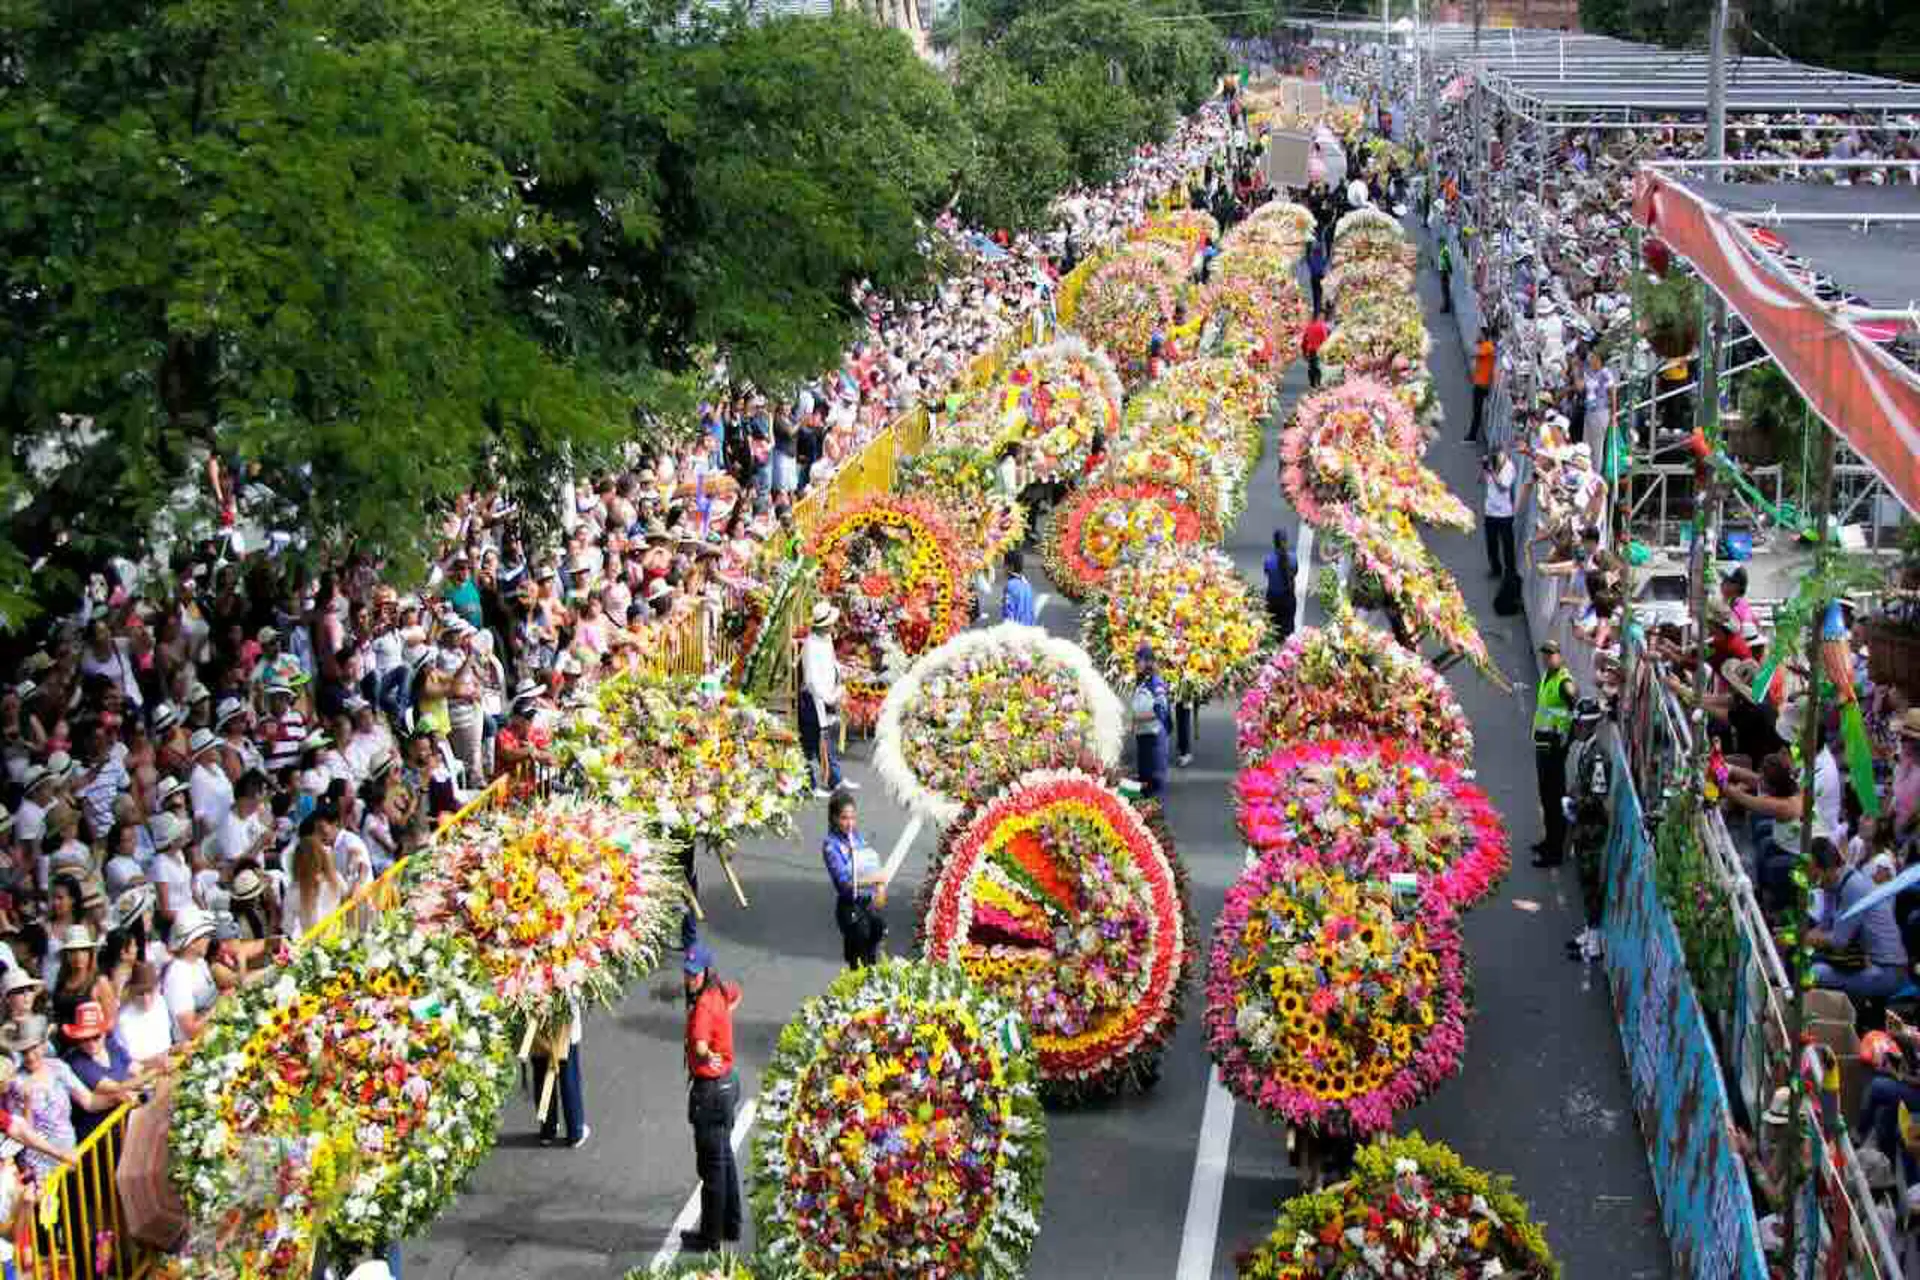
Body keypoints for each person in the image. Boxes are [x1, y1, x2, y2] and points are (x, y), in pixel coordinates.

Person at [681, 944, 742, 1255]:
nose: (689, 979)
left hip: (710, 1093)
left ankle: (710, 1237)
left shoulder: (704, 1005)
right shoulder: (720, 990)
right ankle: (731, 1224)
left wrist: (709, 1053)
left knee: (711, 1168)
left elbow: (701, 1043)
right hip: (729, 1086)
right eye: (687, 973)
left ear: (705, 972)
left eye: (694, 974)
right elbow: (737, 993)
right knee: (725, 1158)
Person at [1807, 835, 1909, 1002]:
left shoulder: (1853, 886)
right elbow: (1824, 927)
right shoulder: (1834, 885)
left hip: (1887, 971)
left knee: (1816, 973)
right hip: (1865, 962)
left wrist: (1803, 938)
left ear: (1830, 869)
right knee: (1807, 956)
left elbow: (1839, 941)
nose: (1815, 884)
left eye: (1816, 876)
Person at [1563, 698, 1611, 961]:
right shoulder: (1587, 749)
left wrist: (1574, 803)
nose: (1576, 726)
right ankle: (1589, 930)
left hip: (1591, 828)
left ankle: (1594, 943)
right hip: (1584, 825)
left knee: (1591, 884)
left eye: (1580, 722)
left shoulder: (1599, 756)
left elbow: (1597, 795)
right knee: (1584, 882)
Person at [822, 791, 884, 969]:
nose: (850, 823)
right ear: (834, 818)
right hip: (850, 906)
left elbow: (871, 865)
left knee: (875, 938)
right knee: (859, 958)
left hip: (866, 902)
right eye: (844, 818)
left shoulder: (856, 837)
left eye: (852, 818)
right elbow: (844, 882)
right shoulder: (831, 846)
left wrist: (879, 888)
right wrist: (875, 879)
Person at [1532, 640, 1577, 867]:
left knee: (1553, 799)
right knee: (1545, 798)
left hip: (1554, 748)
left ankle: (1555, 852)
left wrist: (1565, 743)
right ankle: (1548, 841)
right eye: (1545, 655)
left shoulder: (1564, 682)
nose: (1547, 658)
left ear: (1560, 656)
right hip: (1543, 744)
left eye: (1551, 655)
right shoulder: (1548, 676)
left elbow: (1575, 711)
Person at [798, 603, 846, 799]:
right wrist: (828, 696)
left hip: (825, 696)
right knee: (811, 744)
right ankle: (811, 784)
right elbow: (810, 680)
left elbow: (832, 663)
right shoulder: (811, 645)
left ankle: (834, 779)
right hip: (813, 699)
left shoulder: (826, 640)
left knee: (824, 740)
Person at [530, 998, 587, 1150]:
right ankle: (575, 1131)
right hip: (562, 1012)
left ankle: (548, 1130)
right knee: (569, 1073)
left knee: (541, 1070)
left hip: (536, 1008)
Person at [1131, 644, 1172, 800]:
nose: (1135, 664)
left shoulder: (1156, 683)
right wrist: (1134, 724)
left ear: (1148, 662)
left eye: (1138, 661)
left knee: (1154, 785)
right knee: (1144, 781)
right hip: (1143, 738)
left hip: (1155, 740)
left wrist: (1138, 719)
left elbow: (1161, 709)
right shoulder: (1142, 682)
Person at [1482, 449, 1519, 580]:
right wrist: (1485, 469)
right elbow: (1482, 481)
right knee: (1491, 543)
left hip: (1504, 514)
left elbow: (1503, 487)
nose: (1498, 459)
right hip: (1490, 511)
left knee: (1507, 544)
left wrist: (1492, 472)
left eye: (1499, 456)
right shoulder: (1493, 465)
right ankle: (1495, 568)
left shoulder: (1509, 468)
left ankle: (1510, 571)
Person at [1262, 531, 1297, 644]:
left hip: (1273, 599)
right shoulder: (1293, 558)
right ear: (1286, 541)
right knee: (1288, 629)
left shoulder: (1268, 560)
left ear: (1274, 543)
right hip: (1288, 598)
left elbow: (1267, 573)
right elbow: (1295, 572)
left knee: (1273, 630)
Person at [1468, 324, 1495, 443]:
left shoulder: (1487, 346)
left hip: (1482, 384)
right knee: (1477, 410)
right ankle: (1473, 434)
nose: (1477, 335)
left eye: (1479, 334)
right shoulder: (1485, 346)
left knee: (1477, 411)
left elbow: (1473, 353)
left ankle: (1472, 436)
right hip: (1481, 382)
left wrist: (1476, 342)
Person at [1000, 550, 1036, 626]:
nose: (1003, 568)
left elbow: (1008, 612)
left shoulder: (1010, 586)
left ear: (1011, 567)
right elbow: (1031, 613)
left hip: (1015, 632)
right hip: (1028, 630)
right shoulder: (1027, 585)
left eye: (1004, 565)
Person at [1301, 307, 1330, 391]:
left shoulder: (1310, 327)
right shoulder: (1323, 327)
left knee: (1312, 367)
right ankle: (1319, 384)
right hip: (1320, 350)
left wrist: (1304, 351)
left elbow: (1305, 339)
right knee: (1319, 367)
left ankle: (1312, 384)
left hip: (1311, 350)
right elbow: (1325, 340)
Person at [1435, 237, 1453, 313]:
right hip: (1443, 272)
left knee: (1445, 290)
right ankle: (1445, 306)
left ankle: (1446, 307)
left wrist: (1449, 271)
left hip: (1444, 273)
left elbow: (1448, 262)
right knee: (1444, 290)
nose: (1438, 245)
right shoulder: (1443, 250)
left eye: (1440, 243)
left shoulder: (1445, 251)